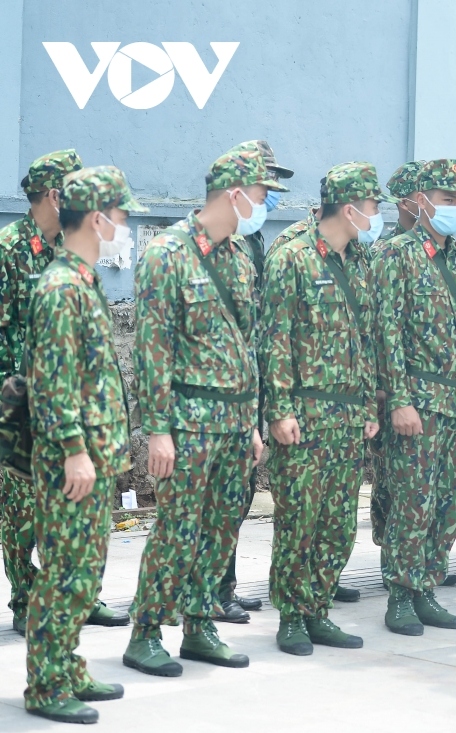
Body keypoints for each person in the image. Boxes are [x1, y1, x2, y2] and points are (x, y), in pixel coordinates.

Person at [123, 145, 283, 676]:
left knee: (221, 530)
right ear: (235, 194)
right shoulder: (167, 253)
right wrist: (158, 432)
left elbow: (251, 343)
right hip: (188, 424)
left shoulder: (239, 256)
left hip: (235, 425)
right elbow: (152, 348)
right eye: (261, 194)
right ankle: (146, 631)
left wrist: (254, 422)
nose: (265, 204)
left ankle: (199, 625)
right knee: (177, 529)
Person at [23, 166, 144, 724]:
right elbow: (53, 381)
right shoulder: (60, 288)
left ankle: (67, 665)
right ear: (98, 218)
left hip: (94, 458)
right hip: (71, 462)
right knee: (65, 574)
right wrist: (74, 449)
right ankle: (46, 685)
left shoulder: (84, 282)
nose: (125, 227)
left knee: (86, 571)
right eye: (121, 217)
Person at [260, 162, 388, 655]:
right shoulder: (291, 258)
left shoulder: (358, 261)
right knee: (300, 520)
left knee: (337, 522)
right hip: (305, 416)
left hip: (348, 415)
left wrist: (370, 401)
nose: (377, 215)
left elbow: (367, 337)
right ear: (350, 208)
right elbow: (274, 340)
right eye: (373, 206)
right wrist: (279, 411)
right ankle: (292, 615)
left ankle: (318, 609)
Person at [0, 148, 128, 636]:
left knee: (71, 513)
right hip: (19, 404)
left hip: (64, 402)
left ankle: (80, 595)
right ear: (56, 195)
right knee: (20, 512)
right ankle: (23, 596)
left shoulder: (72, 255)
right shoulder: (10, 248)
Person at [373, 159, 456, 636]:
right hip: (419, 400)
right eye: (448, 199)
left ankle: (427, 585)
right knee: (413, 500)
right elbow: (386, 332)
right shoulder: (397, 254)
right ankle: (401, 595)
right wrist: (399, 400)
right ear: (422, 200)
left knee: (449, 502)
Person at [217, 139, 293, 623]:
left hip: (254, 385)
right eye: (263, 185)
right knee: (222, 500)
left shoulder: (254, 241)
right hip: (221, 397)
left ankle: (224, 585)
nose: (270, 196)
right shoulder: (221, 242)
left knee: (240, 496)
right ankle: (211, 591)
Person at [367, 160, 427, 591]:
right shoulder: (387, 251)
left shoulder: (433, 253)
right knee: (391, 479)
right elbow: (382, 327)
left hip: (423, 387)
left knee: (416, 486)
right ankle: (392, 554)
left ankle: (411, 562)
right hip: (393, 387)